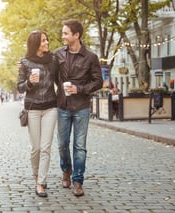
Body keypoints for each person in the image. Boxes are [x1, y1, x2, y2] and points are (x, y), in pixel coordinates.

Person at [54, 19, 103, 197]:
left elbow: (98, 81)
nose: (63, 36)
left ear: (76, 35)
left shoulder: (91, 57)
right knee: (62, 144)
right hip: (63, 106)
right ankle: (66, 169)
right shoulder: (58, 54)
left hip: (82, 106)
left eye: (66, 33)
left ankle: (77, 180)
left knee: (80, 146)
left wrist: (79, 89)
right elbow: (51, 75)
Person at [17, 30, 58, 198]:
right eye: (43, 41)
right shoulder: (24, 63)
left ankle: (41, 183)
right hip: (33, 107)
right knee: (36, 148)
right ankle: (36, 175)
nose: (46, 43)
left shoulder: (53, 60)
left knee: (46, 147)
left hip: (50, 107)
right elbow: (19, 87)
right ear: (35, 44)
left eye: (47, 40)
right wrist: (28, 83)